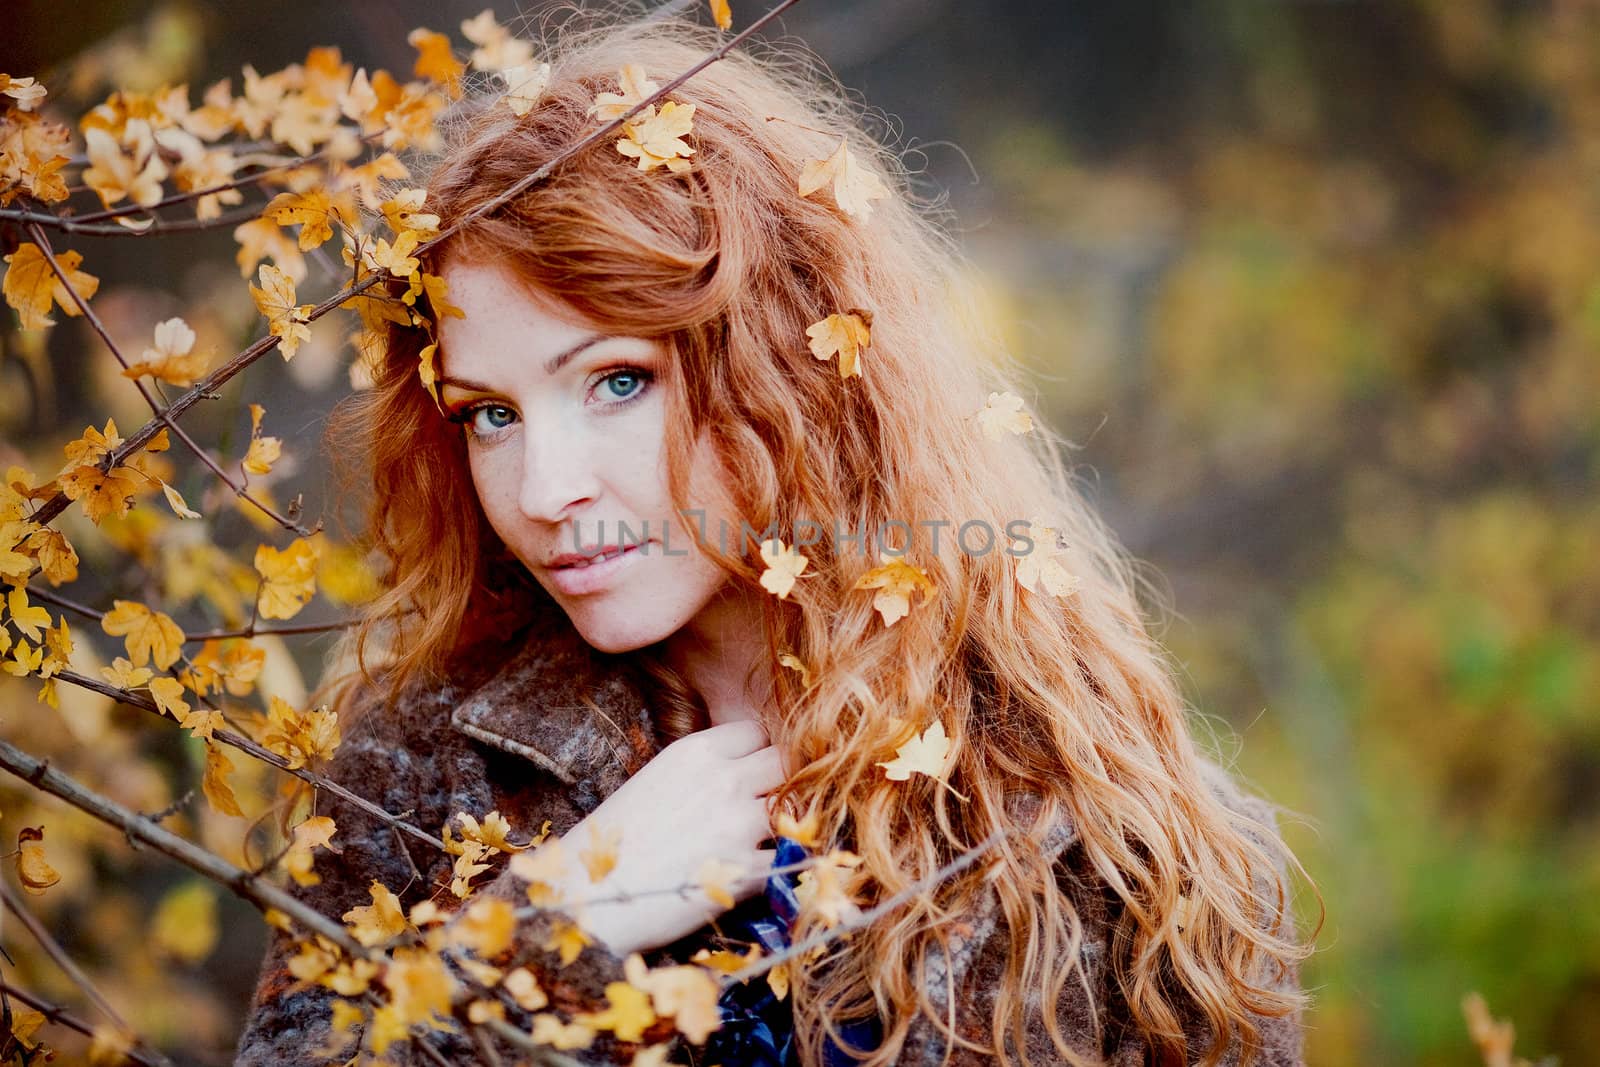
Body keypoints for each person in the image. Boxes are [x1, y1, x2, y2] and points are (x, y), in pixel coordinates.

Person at [236, 9, 1318, 1066]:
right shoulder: (418, 768)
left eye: (617, 381)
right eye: (491, 415)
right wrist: (564, 915)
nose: (544, 488)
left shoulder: (1103, 823)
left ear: (786, 369)